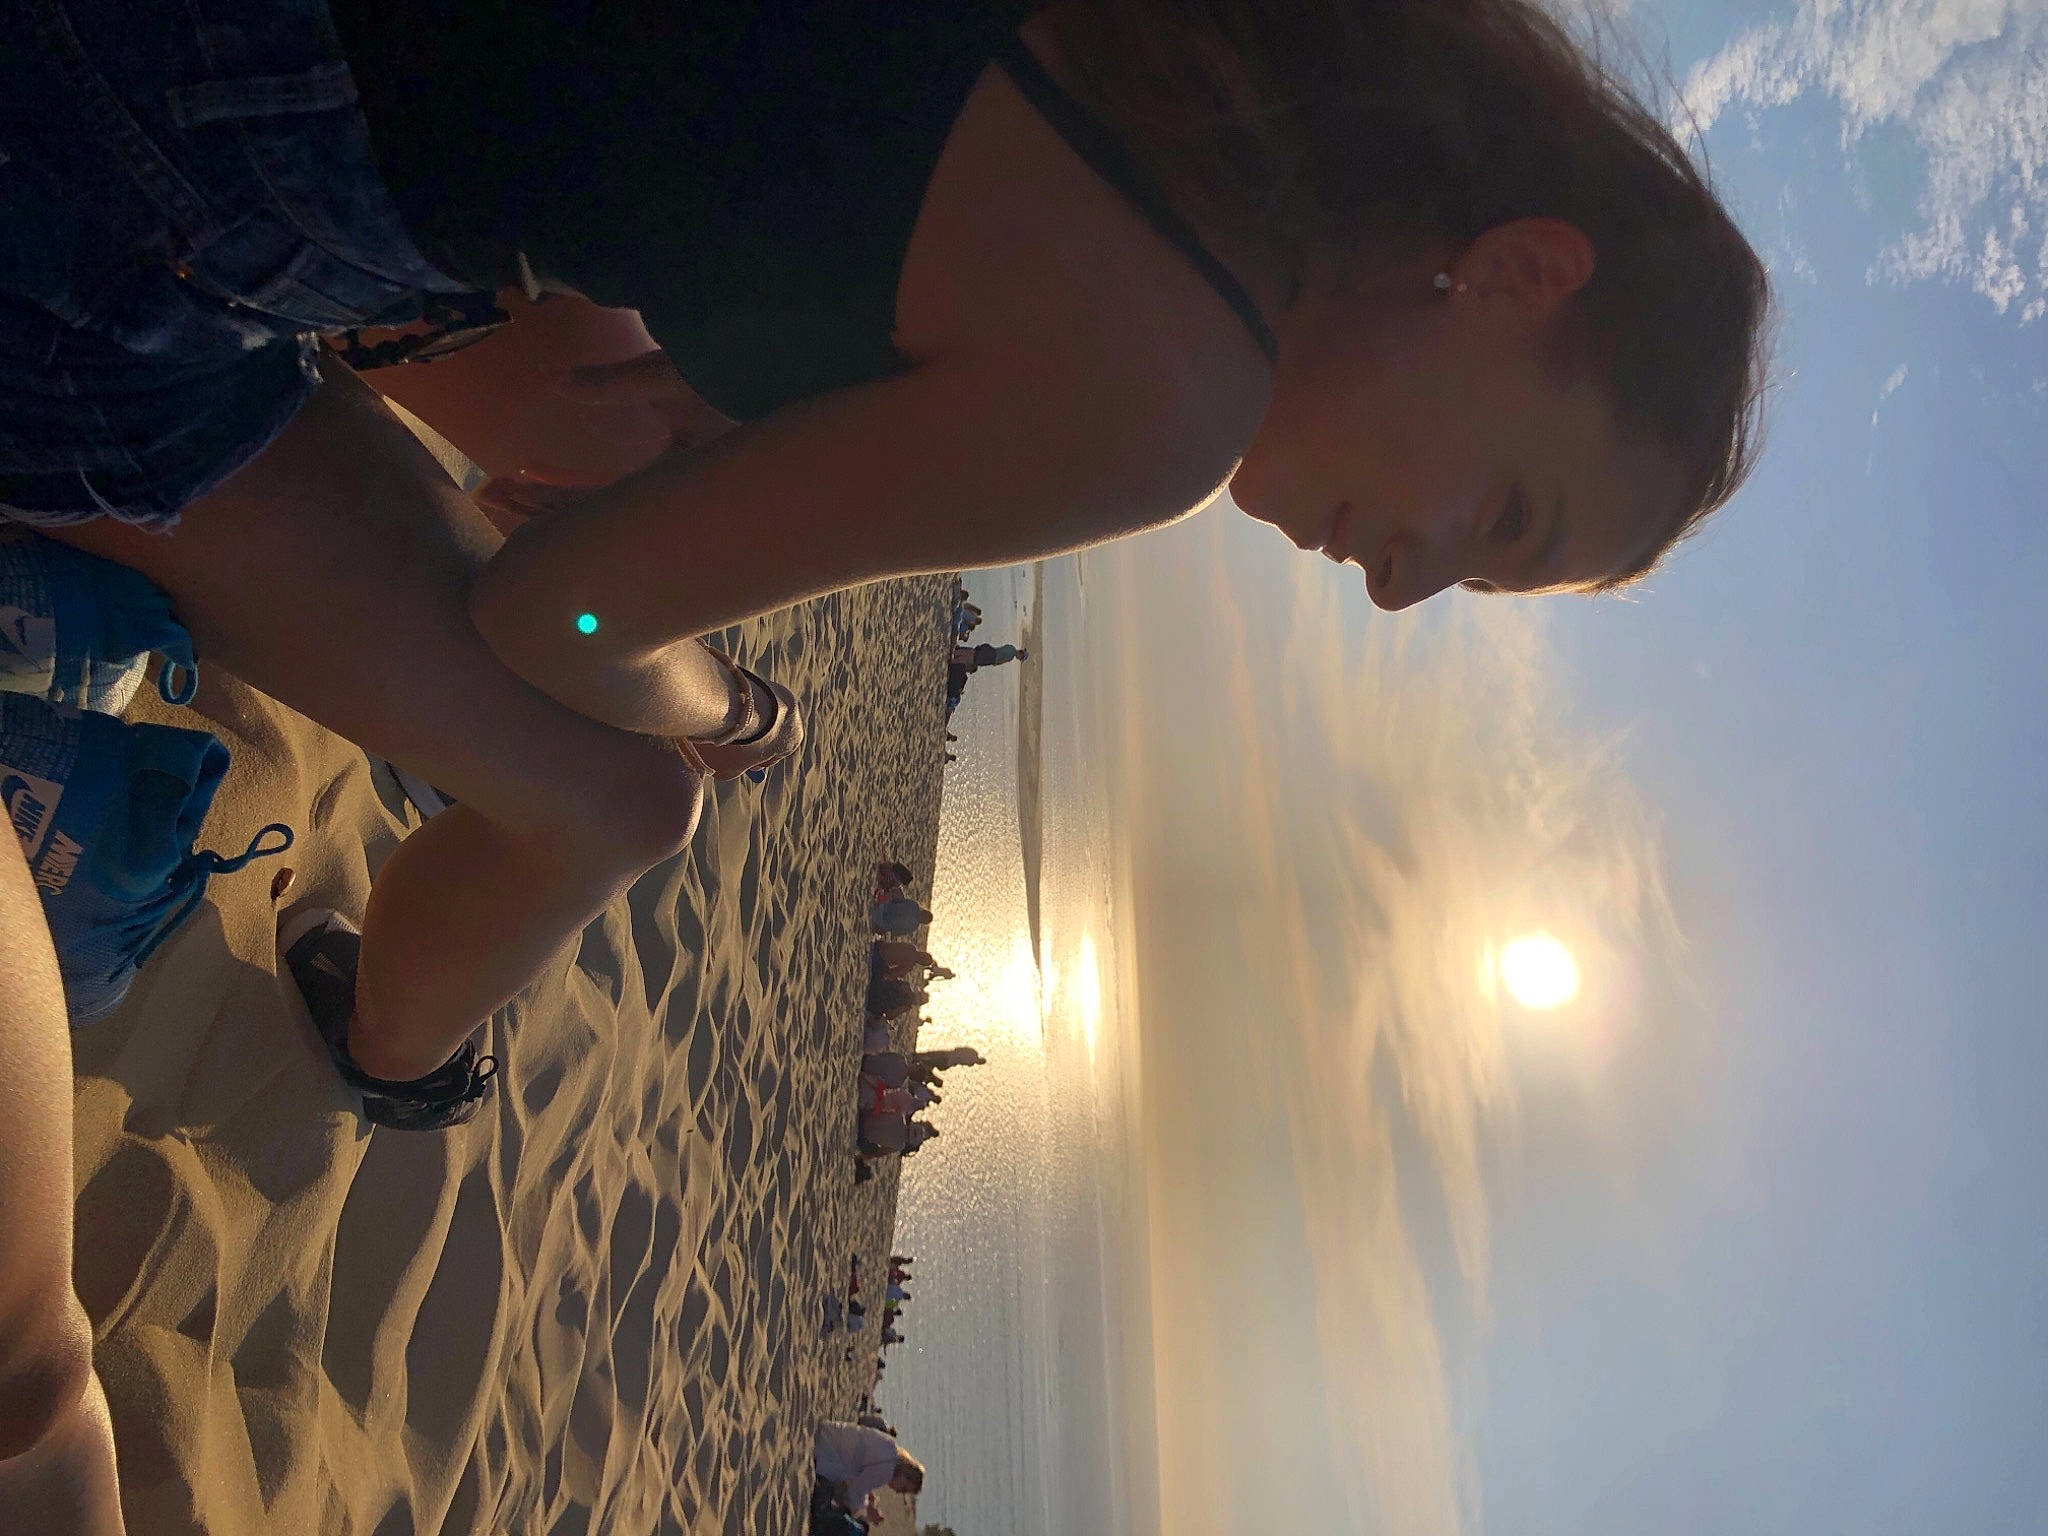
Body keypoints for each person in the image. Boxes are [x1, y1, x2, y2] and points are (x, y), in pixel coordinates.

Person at [2, 0, 1769, 1232]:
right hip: (95, 194)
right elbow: (559, 617)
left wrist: (737, 382)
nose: (1406, 583)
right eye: (1500, 520)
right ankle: (388, 1054)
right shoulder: (1168, 391)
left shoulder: (1183, 72)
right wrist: (724, 707)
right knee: (623, 801)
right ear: (1520, 274)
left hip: (238, 82)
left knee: (596, 399)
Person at [814, 1421, 925, 1510]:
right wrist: (868, 1507)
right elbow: (854, 1493)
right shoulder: (886, 1472)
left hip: (830, 1430)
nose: (897, 1492)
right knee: (851, 1506)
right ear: (906, 1474)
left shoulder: (890, 1446)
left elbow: (863, 1472)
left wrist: (867, 1493)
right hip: (826, 1451)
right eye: (903, 1489)